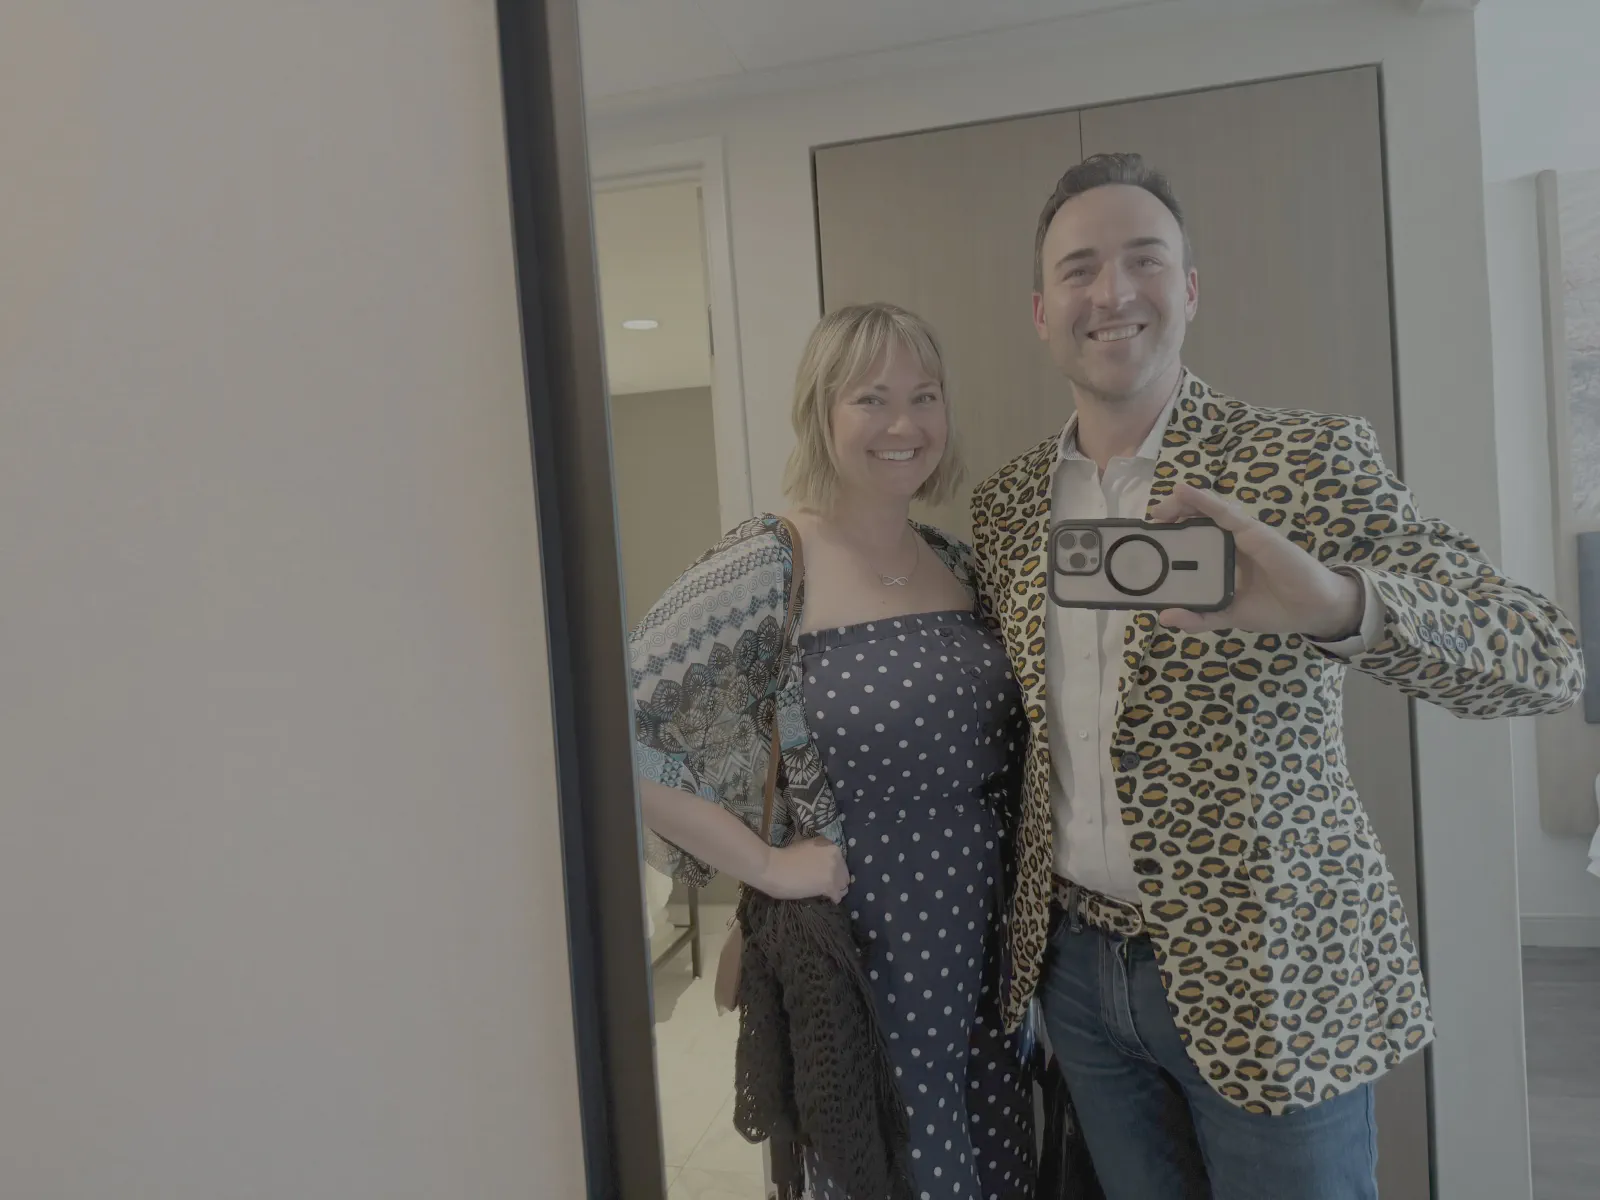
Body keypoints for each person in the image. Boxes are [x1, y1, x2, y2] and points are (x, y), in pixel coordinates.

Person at [969, 152, 1586, 1199]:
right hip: (1075, 970)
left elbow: (1542, 660)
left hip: (1272, 967)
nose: (1111, 292)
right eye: (1078, 269)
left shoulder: (1302, 461)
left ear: (1189, 289)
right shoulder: (1009, 505)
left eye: (1143, 260)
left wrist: (1341, 605)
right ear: (1040, 311)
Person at [632, 301, 1036, 1200]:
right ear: (820, 411)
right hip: (865, 951)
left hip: (987, 947)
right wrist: (767, 867)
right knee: (896, 1167)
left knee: (997, 1157)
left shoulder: (958, 563)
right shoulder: (769, 563)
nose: (904, 424)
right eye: (871, 399)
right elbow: (618, 732)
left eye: (924, 396)